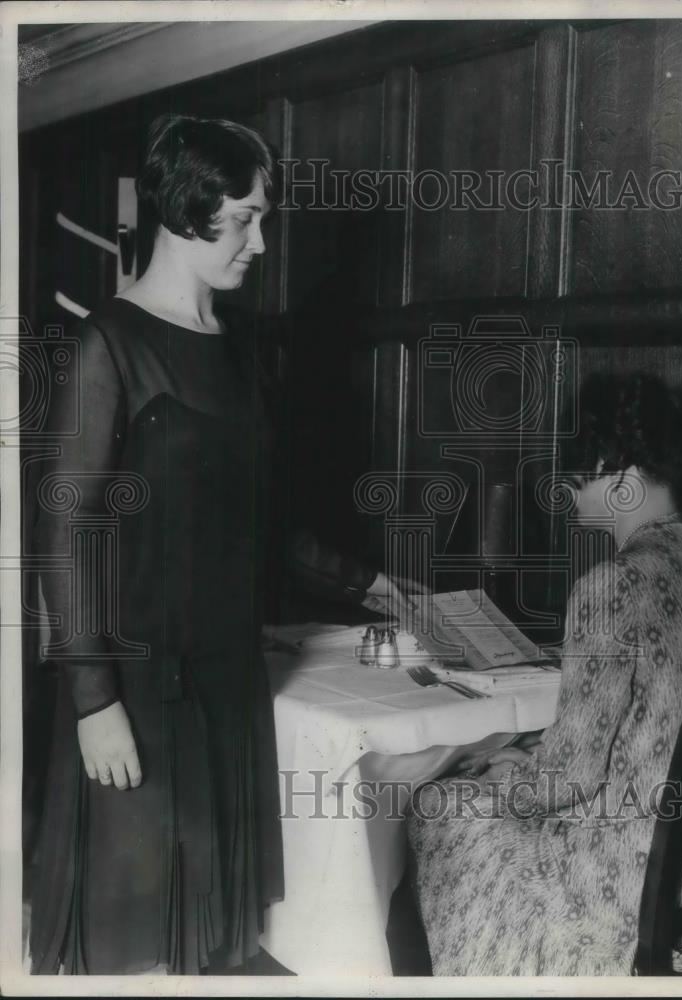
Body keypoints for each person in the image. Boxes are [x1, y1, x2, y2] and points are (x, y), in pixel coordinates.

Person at [28, 114, 414, 975]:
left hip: (228, 691)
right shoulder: (108, 344)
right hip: (138, 695)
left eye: (261, 217)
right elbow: (64, 535)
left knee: (211, 946)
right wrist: (94, 702)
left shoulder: (242, 353)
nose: (261, 243)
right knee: (134, 948)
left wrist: (378, 582)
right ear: (183, 213)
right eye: (243, 218)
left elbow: (267, 529)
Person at [405, 372, 682, 976]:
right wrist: (536, 760)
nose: (568, 492)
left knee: (438, 805)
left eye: (579, 477)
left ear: (620, 475)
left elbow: (568, 780)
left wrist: (496, 781)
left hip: (621, 894)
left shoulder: (611, 586)